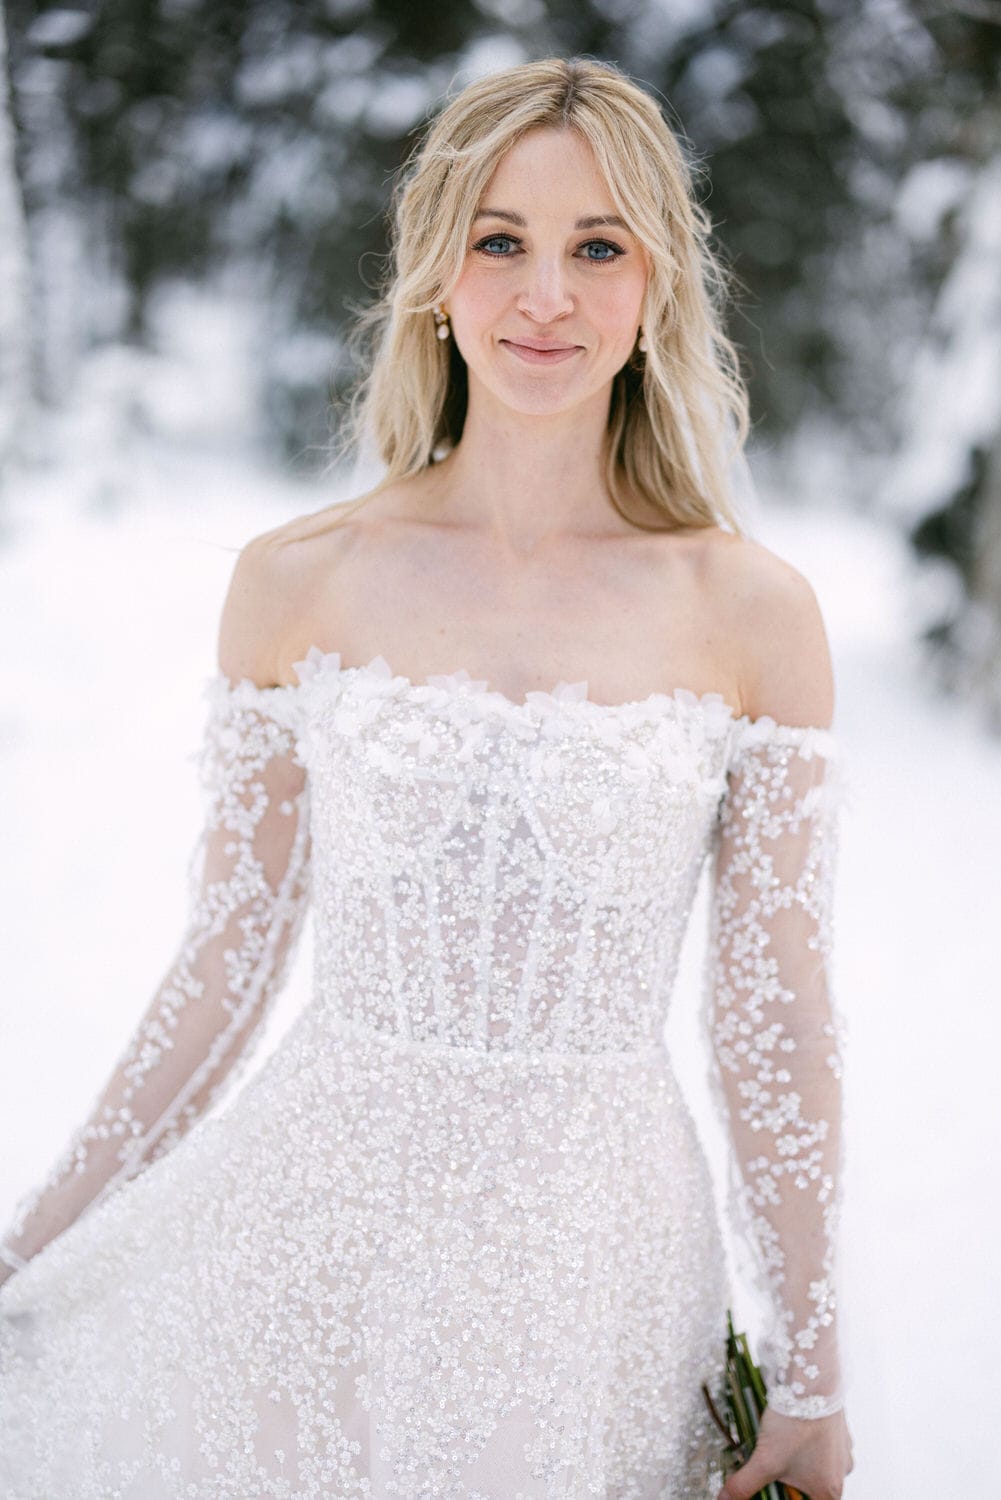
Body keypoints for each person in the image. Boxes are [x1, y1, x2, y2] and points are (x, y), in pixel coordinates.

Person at [0, 55, 855, 1500]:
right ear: (434, 275)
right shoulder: (296, 582)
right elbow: (228, 957)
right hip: (316, 1226)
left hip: (591, 1257)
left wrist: (815, 1368)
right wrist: (31, 1247)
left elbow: (773, 1019)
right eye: (499, 240)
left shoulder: (748, 612)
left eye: (597, 248)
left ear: (655, 287)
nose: (545, 295)